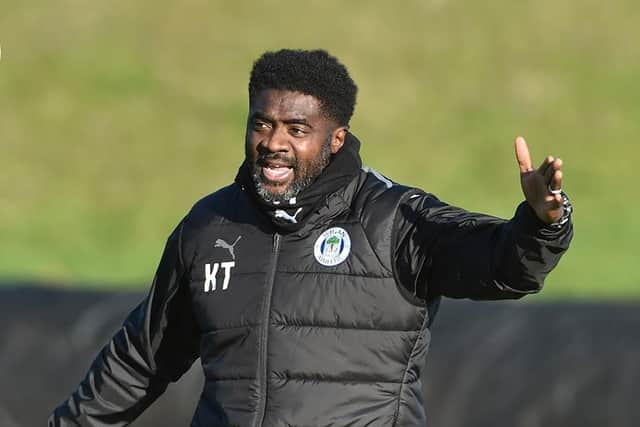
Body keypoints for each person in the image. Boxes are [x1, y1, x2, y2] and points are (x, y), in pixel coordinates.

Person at [50, 49, 573, 426]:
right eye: (262, 124)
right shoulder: (209, 226)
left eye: (297, 130)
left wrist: (540, 222)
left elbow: (503, 267)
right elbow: (143, 358)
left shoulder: (392, 217)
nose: (274, 143)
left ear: (335, 138)